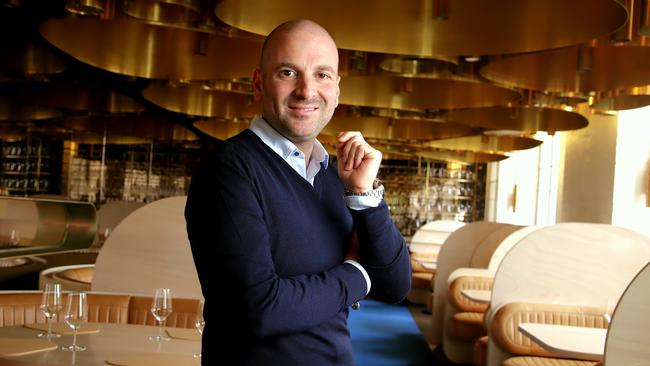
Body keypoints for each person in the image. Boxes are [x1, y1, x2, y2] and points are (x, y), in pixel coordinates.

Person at [185, 19, 411, 365]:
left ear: (337, 89)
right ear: (259, 85)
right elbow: (259, 308)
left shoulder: (337, 178)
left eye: (322, 75)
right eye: (288, 72)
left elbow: (395, 286)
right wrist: (356, 274)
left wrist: (365, 198)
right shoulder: (228, 171)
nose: (306, 91)